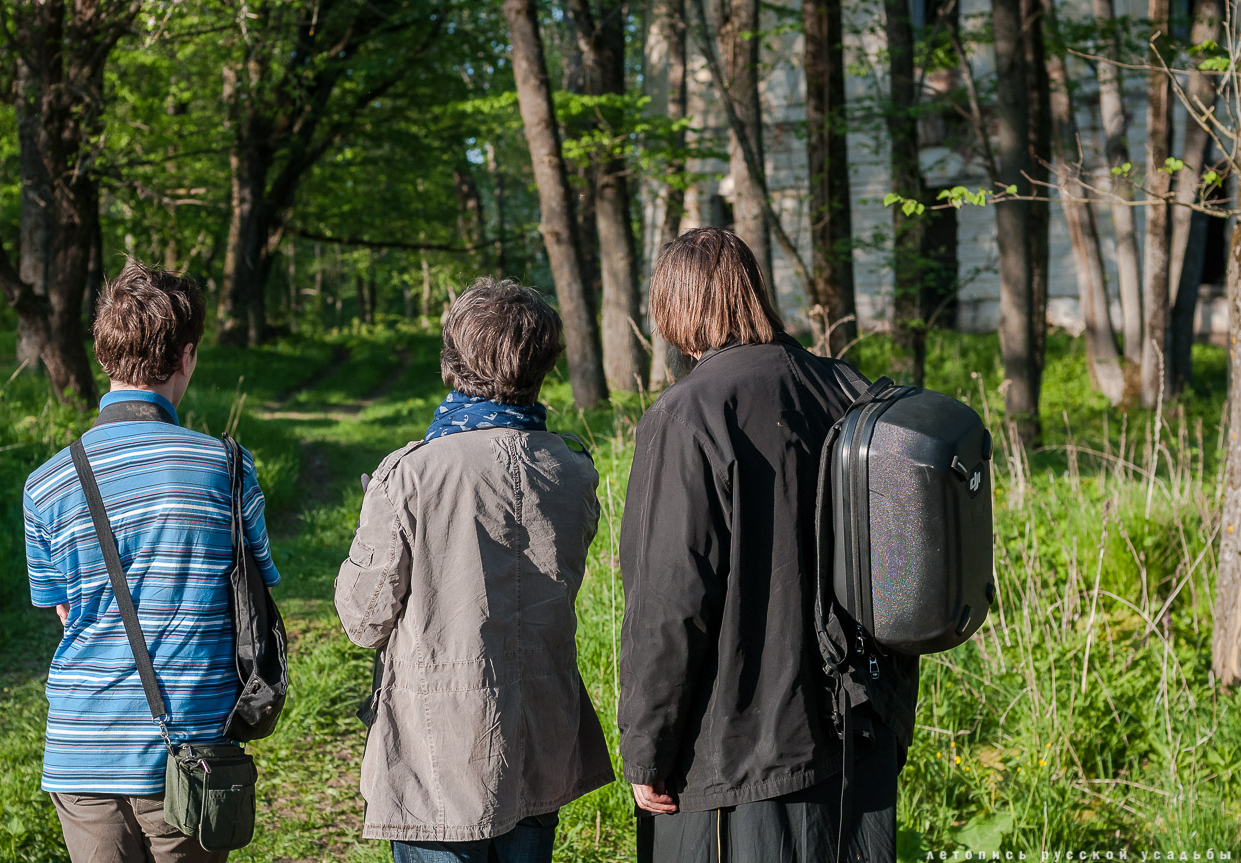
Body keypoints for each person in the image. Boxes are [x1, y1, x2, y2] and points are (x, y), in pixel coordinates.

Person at [617, 228, 919, 862]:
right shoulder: (847, 389)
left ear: (675, 310)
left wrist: (647, 749)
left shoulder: (688, 414)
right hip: (859, 739)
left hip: (739, 765)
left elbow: (670, 604)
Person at [334, 277, 613, 863]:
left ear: (452, 366)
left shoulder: (410, 475)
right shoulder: (573, 470)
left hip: (437, 756)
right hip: (540, 737)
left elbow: (362, 620)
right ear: (545, 366)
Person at [23, 260, 280, 863]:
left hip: (82, 752)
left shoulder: (46, 484)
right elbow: (255, 598)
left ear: (102, 353)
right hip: (190, 755)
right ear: (187, 357)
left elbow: (66, 612)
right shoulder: (228, 467)